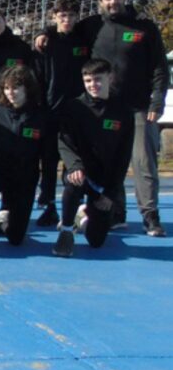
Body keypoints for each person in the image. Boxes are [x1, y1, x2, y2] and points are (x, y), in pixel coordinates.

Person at [83, 0, 166, 236]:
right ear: (101, 2)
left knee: (143, 162)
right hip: (107, 110)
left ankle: (150, 215)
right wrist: (42, 33)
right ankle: (115, 212)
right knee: (109, 162)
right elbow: (62, 31)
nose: (112, 2)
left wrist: (157, 101)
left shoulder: (144, 27)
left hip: (139, 108)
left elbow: (160, 68)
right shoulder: (92, 27)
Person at [53, 59, 134, 257]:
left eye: (98, 79)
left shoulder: (123, 112)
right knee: (73, 183)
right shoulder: (74, 108)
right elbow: (64, 142)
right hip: (81, 173)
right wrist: (74, 166)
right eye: (88, 80)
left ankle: (85, 216)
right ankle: (66, 231)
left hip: (103, 182)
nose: (93, 85)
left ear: (110, 78)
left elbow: (123, 157)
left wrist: (110, 193)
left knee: (96, 242)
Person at [0, 65, 50, 254]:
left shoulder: (40, 116)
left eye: (15, 88)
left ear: (27, 88)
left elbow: (48, 156)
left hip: (24, 178)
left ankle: (2, 223)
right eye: (6, 88)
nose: (10, 92)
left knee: (16, 239)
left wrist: (47, 189)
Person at [34, 0, 88, 227]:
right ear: (54, 16)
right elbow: (37, 78)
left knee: (74, 162)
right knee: (48, 162)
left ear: (77, 17)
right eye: (62, 16)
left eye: (71, 16)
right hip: (50, 113)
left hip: (77, 113)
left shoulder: (85, 40)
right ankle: (48, 206)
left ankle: (74, 207)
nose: (67, 20)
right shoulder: (45, 43)